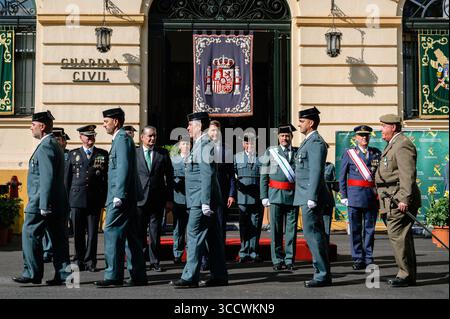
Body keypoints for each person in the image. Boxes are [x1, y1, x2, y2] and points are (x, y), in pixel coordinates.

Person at [12, 111, 71, 285]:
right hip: (57, 201)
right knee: (59, 240)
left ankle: (32, 272)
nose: (31, 128)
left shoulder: (46, 146)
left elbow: (47, 176)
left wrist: (43, 205)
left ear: (42, 127)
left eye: (33, 125)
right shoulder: (54, 144)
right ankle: (63, 274)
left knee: (30, 234)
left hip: (40, 201)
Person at [170, 112, 228, 288]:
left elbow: (207, 174)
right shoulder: (199, 144)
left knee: (193, 235)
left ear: (199, 126)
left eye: (190, 125)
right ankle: (219, 275)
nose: (188, 128)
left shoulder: (204, 144)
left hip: (200, 200)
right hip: (200, 199)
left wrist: (204, 201)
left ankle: (189, 277)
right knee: (214, 239)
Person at [94, 107, 147, 287]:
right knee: (132, 236)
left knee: (111, 231)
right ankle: (138, 275)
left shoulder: (122, 139)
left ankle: (113, 276)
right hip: (126, 196)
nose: (104, 125)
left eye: (106, 122)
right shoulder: (121, 139)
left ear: (116, 122)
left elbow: (123, 168)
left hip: (121, 197)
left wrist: (119, 195)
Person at [375, 114, 421, 288]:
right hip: (391, 199)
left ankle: (405, 275)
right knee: (401, 237)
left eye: (383, 126)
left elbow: (407, 174)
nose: (381, 129)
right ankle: (407, 273)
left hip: (398, 200)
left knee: (399, 237)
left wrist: (404, 198)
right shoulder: (393, 144)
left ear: (393, 127)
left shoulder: (402, 144)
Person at [293, 106, 332, 288]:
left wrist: (312, 196)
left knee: (314, 236)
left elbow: (316, 171)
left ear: (311, 123)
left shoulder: (315, 142)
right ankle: (322, 272)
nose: (299, 124)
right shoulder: (308, 141)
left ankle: (322, 274)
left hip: (310, 196)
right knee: (313, 235)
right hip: (305, 194)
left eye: (302, 121)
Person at [65, 125, 108, 272]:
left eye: (92, 136)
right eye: (87, 136)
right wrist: (66, 200)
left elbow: (105, 178)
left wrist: (105, 198)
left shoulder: (102, 154)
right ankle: (79, 260)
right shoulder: (73, 154)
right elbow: (67, 179)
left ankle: (90, 262)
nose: (90, 139)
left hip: (94, 199)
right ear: (81, 137)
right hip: (76, 198)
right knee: (77, 232)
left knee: (92, 233)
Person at [339, 125, 381, 270]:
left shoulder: (376, 153)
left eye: (366, 135)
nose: (364, 138)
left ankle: (368, 257)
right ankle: (357, 258)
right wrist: (344, 195)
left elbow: (379, 176)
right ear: (356, 138)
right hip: (355, 197)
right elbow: (342, 176)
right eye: (361, 135)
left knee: (370, 230)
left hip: (371, 197)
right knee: (356, 230)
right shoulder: (350, 154)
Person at [260, 124, 298, 272]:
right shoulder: (271, 152)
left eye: (287, 136)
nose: (285, 138)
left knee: (291, 230)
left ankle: (289, 259)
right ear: (278, 137)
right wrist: (264, 196)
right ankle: (277, 259)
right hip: (275, 195)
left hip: (293, 196)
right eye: (282, 136)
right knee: (275, 231)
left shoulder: (297, 152)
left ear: (291, 137)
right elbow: (264, 175)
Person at [136, 126, 174, 272]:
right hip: (139, 199)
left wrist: (169, 199)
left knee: (155, 232)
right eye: (150, 136)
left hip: (157, 200)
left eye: (155, 136)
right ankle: (140, 260)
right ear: (142, 137)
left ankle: (154, 261)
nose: (152, 139)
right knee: (139, 232)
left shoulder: (162, 154)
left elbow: (169, 177)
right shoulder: (135, 153)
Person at [41, 127, 71, 263]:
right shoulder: (50, 151)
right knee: (48, 228)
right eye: (57, 139)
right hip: (53, 195)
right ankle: (48, 250)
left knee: (60, 230)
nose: (58, 141)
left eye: (60, 139)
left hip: (63, 195)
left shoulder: (68, 155)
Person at [234, 132, 263, 263]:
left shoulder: (261, 158)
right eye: (247, 143)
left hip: (257, 197)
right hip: (242, 197)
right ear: (243, 144)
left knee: (256, 225)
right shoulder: (236, 158)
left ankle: (254, 251)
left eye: (251, 142)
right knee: (244, 225)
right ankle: (243, 251)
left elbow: (265, 178)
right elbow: (232, 178)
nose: (249, 145)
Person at [170, 137, 190, 264]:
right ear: (179, 146)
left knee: (190, 229)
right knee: (178, 227)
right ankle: (177, 253)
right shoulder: (173, 161)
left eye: (188, 143)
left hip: (191, 199)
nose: (186, 145)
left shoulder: (195, 159)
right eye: (183, 143)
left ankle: (190, 254)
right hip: (178, 198)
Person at [324, 144, 339, 244]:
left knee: (326, 230)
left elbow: (335, 186)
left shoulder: (330, 167)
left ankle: (325, 252)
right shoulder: (309, 166)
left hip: (326, 202)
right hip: (312, 202)